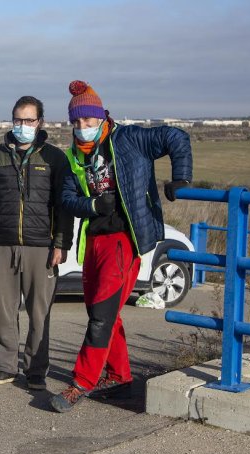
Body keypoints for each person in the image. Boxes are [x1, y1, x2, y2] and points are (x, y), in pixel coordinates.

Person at [51, 80, 192, 413]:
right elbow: (68, 198)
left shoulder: (130, 139)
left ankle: (81, 382)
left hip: (124, 239)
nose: (83, 127)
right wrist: (94, 206)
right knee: (104, 313)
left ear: (102, 117)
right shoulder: (74, 156)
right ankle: (119, 376)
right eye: (77, 122)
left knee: (101, 315)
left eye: (88, 120)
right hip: (94, 241)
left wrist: (181, 176)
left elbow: (176, 136)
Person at [0, 96, 73, 389]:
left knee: (39, 314)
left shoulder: (54, 158)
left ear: (40, 122)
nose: (23, 126)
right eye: (18, 120)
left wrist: (60, 243)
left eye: (29, 120)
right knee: (4, 311)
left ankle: (35, 372)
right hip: (3, 246)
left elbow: (63, 203)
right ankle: (6, 367)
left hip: (41, 247)